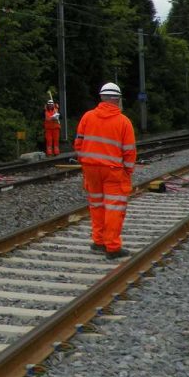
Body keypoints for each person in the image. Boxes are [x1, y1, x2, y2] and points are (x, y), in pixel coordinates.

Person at [73, 82, 137, 259]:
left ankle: (99, 241)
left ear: (101, 98)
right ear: (117, 100)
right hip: (113, 171)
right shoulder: (124, 122)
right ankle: (113, 247)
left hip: (91, 169)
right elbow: (129, 151)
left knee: (96, 205)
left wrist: (85, 163)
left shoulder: (87, 117)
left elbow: (78, 143)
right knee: (114, 208)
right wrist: (128, 172)